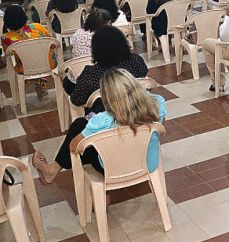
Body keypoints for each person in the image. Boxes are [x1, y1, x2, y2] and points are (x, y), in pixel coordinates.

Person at [32, 68, 166, 185]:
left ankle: (53, 171)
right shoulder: (158, 103)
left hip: (113, 170)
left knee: (80, 128)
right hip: (147, 163)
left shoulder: (102, 120)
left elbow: (73, 147)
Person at [66, 25, 148, 114]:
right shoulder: (136, 60)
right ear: (122, 42)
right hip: (138, 110)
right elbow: (144, 74)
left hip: (107, 116)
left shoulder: (91, 73)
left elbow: (77, 99)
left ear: (96, 49)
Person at [1, 4, 57, 99]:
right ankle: (40, 84)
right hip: (48, 64)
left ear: (6, 20)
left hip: (25, 68)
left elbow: (9, 54)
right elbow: (53, 44)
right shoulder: (38, 27)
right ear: (24, 16)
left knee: (25, 60)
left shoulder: (5, 39)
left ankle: (22, 89)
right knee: (42, 56)